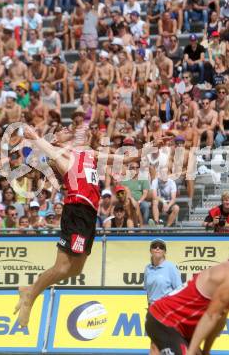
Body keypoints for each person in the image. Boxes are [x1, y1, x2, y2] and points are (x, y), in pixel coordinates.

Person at [14, 124, 139, 327]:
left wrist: (152, 147)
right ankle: (31, 295)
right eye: (62, 129)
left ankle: (31, 290)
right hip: (76, 210)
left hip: (90, 214)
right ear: (55, 139)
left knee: (75, 270)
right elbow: (44, 147)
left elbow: (125, 158)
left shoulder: (89, 154)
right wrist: (35, 136)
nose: (67, 128)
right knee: (62, 267)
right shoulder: (61, 155)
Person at [145, 261, 229, 355]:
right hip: (163, 319)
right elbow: (211, 316)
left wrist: (206, 351)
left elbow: (219, 319)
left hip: (180, 328)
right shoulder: (227, 278)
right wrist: (192, 352)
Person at [144, 238, 182, 355]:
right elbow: (148, 291)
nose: (157, 248)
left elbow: (179, 290)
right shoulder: (148, 269)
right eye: (154, 246)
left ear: (165, 252)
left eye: (161, 247)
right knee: (154, 343)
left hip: (167, 310)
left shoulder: (170, 268)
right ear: (150, 250)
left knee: (167, 345)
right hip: (152, 310)